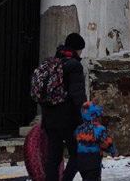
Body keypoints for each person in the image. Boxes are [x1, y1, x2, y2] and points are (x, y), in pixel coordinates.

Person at [41, 32, 88, 181]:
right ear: (77, 49)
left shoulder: (50, 63)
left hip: (49, 118)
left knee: (53, 157)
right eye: (81, 49)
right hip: (69, 119)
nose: (81, 53)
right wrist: (86, 115)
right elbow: (77, 95)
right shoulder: (74, 65)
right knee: (78, 153)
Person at [72, 101, 116, 181]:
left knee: (86, 177)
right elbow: (106, 142)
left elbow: (75, 139)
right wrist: (112, 150)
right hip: (93, 159)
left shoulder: (79, 129)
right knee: (93, 177)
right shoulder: (98, 129)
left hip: (81, 159)